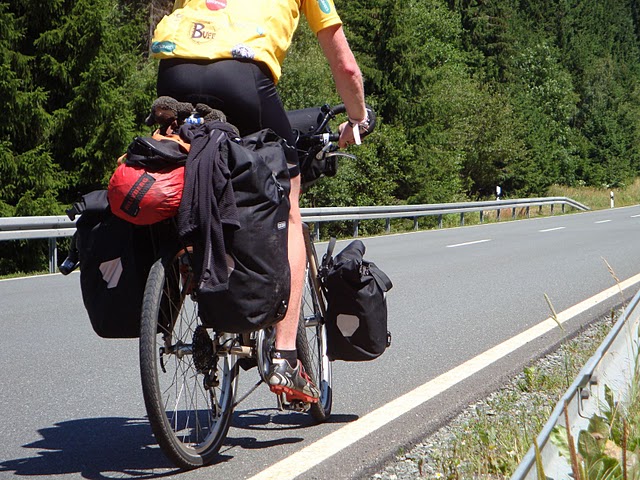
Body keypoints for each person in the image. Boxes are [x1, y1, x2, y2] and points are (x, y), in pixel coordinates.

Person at [151, 0, 370, 403]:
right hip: (241, 74)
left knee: (187, 171)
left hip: (174, 70)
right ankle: (285, 357)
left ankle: (179, 294)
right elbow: (346, 67)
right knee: (288, 198)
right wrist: (358, 118)